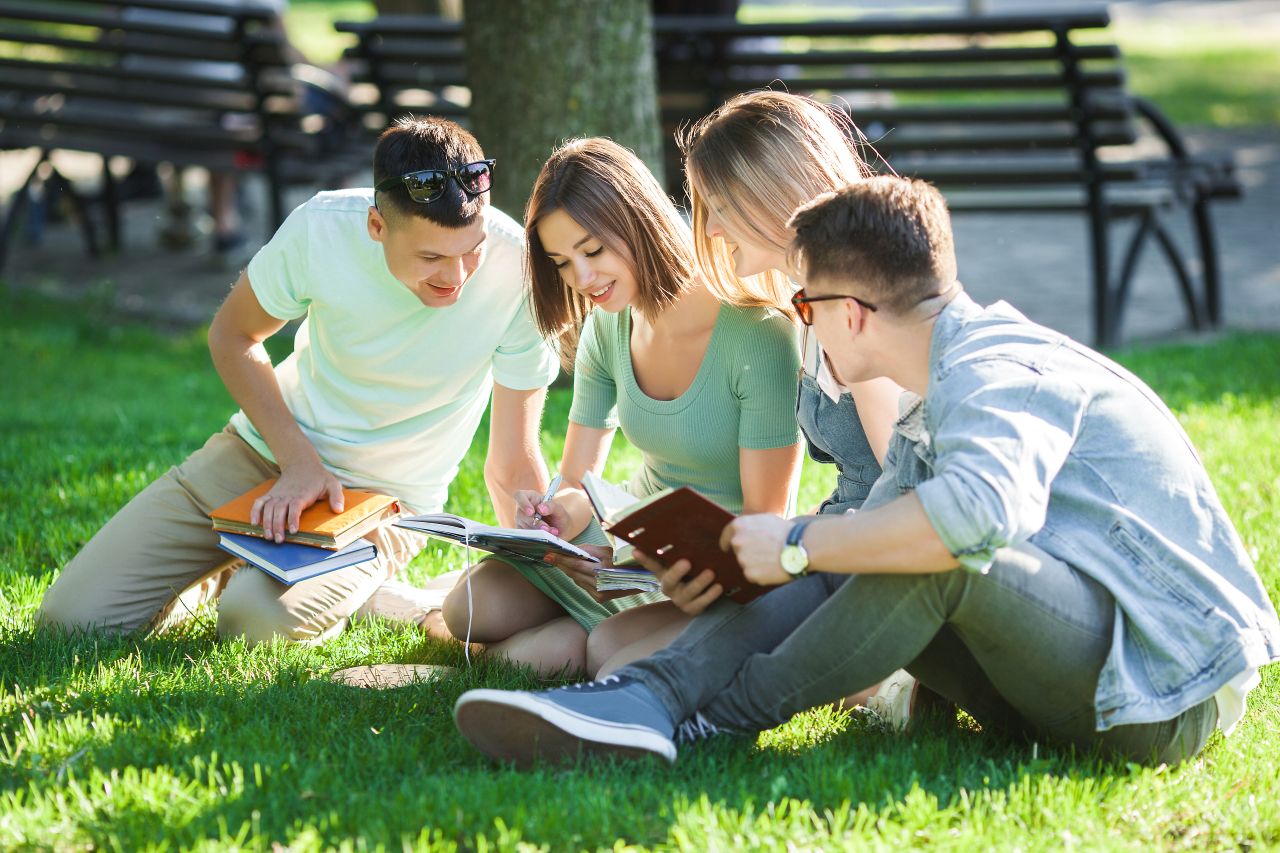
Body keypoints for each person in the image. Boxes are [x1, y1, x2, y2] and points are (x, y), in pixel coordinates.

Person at [451, 177, 1280, 767]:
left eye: (804, 305)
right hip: (1061, 681)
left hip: (1158, 698)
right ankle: (649, 696)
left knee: (936, 548)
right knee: (859, 550)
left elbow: (977, 516)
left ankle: (699, 719)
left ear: (849, 311)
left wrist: (804, 538)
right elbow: (837, 562)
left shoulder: (1003, 370)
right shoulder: (933, 397)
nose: (799, 324)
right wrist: (809, 549)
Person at [37, 116, 559, 644]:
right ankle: (229, 565)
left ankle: (282, 578)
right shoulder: (323, 227)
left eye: (471, 250)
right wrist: (299, 463)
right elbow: (233, 335)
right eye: (431, 257)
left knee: (251, 624)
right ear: (378, 227)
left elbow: (513, 456)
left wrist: (536, 566)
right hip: (260, 456)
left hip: (381, 504)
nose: (456, 277)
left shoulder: (519, 270)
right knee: (71, 623)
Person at [439, 137, 803, 677]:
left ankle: (568, 643)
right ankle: (559, 636)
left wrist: (646, 568)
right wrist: (560, 514)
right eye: (562, 263)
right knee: (468, 608)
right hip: (629, 542)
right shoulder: (610, 325)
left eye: (593, 251)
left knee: (587, 654)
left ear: (638, 223)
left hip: (712, 566)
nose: (582, 280)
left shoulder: (757, 336)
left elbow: (764, 522)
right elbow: (577, 479)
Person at [674, 90, 916, 716]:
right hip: (838, 549)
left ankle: (894, 682)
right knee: (643, 635)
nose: (716, 228)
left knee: (694, 659)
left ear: (777, 194)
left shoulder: (852, 306)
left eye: (725, 206)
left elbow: (904, 488)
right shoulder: (807, 303)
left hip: (874, 568)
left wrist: (796, 552)